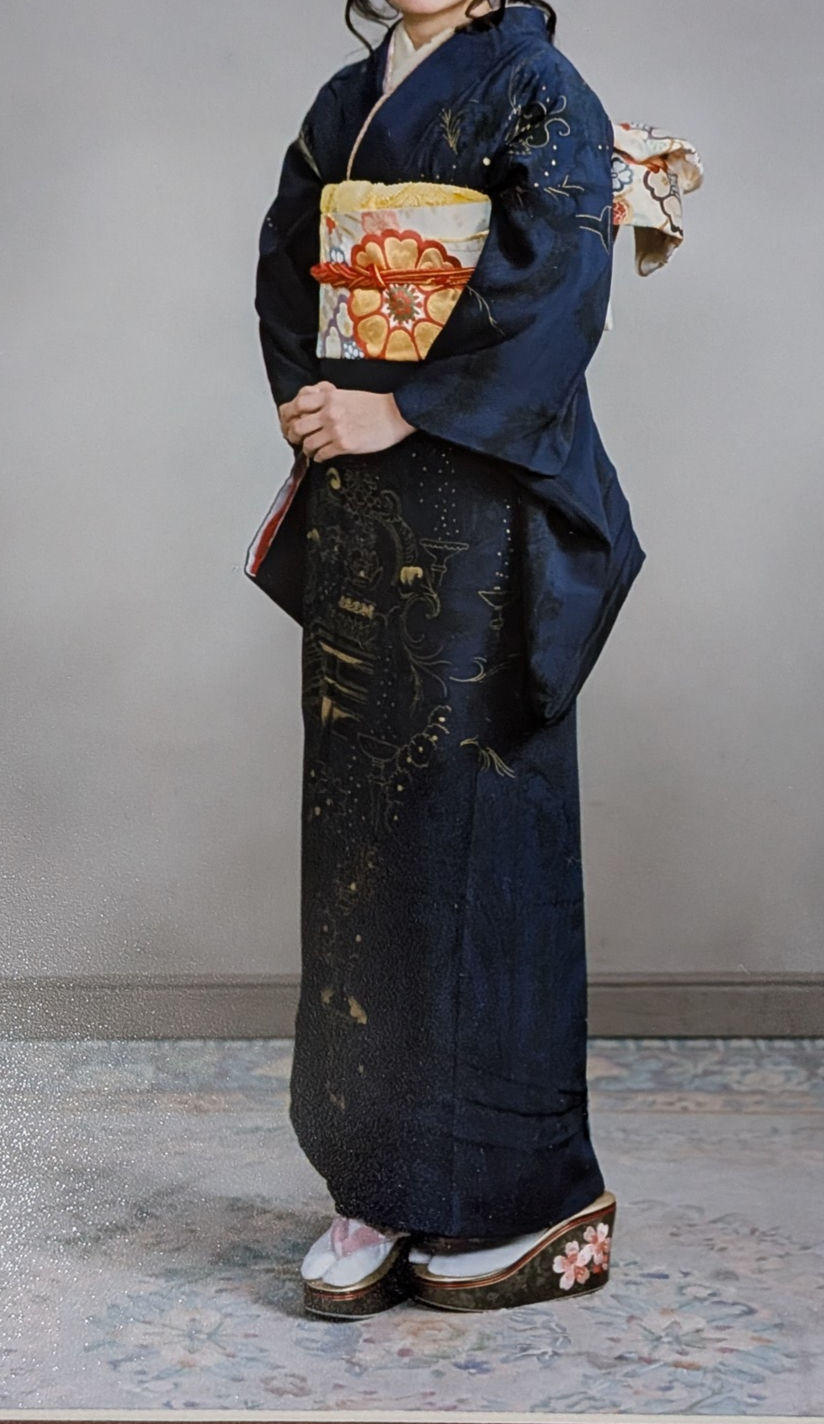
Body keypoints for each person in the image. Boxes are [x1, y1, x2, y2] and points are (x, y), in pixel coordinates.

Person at [245, 0, 702, 1319]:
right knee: (363, 829)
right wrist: (328, 400)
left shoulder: (539, 86)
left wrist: (401, 403)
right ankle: (378, 1183)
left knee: (474, 820)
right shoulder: (348, 101)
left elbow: (558, 285)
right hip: (368, 495)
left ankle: (524, 1197)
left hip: (482, 495)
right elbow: (290, 266)